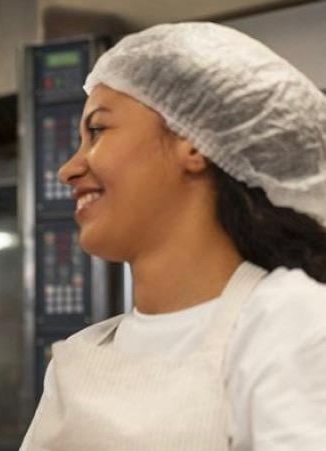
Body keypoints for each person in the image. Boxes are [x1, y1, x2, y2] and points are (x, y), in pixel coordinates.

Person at [22, 22, 326, 450]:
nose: (68, 169)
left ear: (195, 143)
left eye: (98, 131)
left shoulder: (292, 322)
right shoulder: (84, 353)